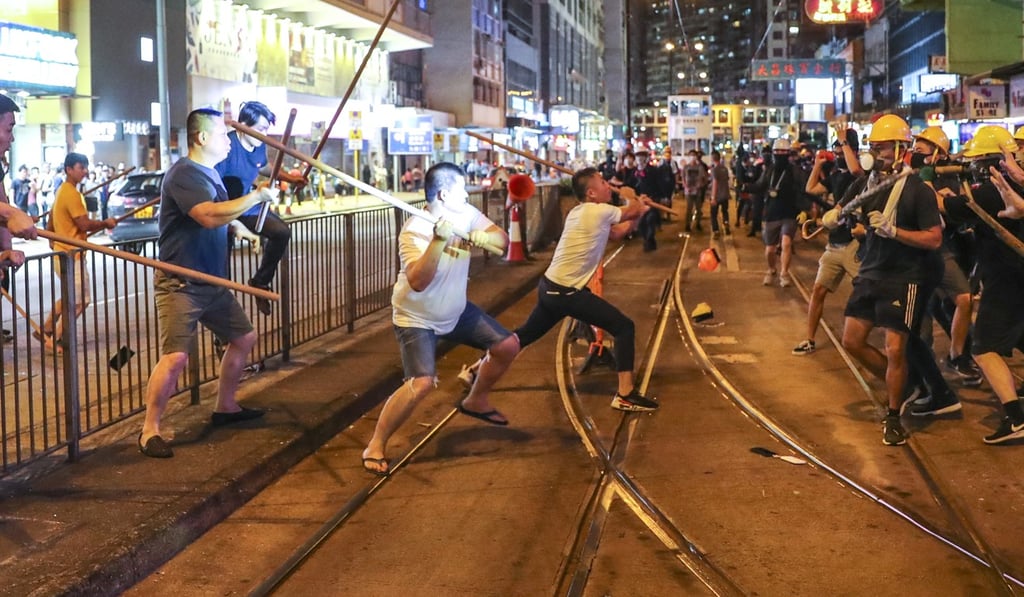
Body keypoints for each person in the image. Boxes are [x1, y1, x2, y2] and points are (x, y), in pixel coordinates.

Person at [459, 169, 659, 413]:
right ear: (591, 193)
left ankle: (474, 371)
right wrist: (631, 198)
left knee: (524, 335)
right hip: (566, 292)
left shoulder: (582, 212)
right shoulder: (597, 211)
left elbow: (618, 233)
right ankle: (625, 394)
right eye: (603, 183)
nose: (609, 186)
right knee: (623, 327)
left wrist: (639, 211)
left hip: (551, 288)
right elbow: (630, 210)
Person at [361, 162, 515, 476]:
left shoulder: (466, 213)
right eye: (462, 188)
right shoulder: (415, 229)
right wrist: (438, 241)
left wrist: (482, 237)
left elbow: (502, 240)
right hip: (417, 316)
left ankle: (476, 400)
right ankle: (375, 444)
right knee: (421, 383)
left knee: (507, 346)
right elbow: (418, 281)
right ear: (444, 194)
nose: (467, 194)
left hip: (455, 310)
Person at [139, 108, 275, 458]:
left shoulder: (211, 173)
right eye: (222, 135)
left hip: (211, 281)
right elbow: (208, 215)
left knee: (243, 338)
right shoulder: (184, 174)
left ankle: (225, 407)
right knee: (175, 357)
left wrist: (242, 229)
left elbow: (222, 215)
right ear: (201, 138)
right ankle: (149, 430)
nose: (228, 141)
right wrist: (255, 197)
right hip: (181, 283)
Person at [839, 114, 943, 446]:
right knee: (851, 341)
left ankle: (894, 414)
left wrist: (894, 232)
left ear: (901, 150)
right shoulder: (868, 184)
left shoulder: (918, 190)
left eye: (882, 148)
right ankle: (906, 384)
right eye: (873, 147)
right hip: (871, 270)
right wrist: (834, 218)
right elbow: (845, 209)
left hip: (905, 275)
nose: (876, 154)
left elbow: (934, 238)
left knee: (895, 348)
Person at [944, 126, 1024, 443]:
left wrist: (922, 180)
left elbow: (947, 207)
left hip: (1005, 277)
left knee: (984, 347)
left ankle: (1016, 418)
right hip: (1016, 274)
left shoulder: (992, 190)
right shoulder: (1014, 186)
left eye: (976, 161)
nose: (973, 167)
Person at [213, 101, 304, 316]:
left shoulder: (259, 145)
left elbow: (264, 167)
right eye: (260, 129)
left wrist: (291, 179)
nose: (264, 135)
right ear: (243, 126)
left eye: (266, 130)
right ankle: (223, 321)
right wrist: (230, 223)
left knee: (281, 232)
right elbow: (214, 188)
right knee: (222, 275)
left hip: (248, 205)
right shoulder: (227, 148)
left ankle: (260, 281)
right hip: (224, 209)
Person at [793, 133, 865, 356]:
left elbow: (857, 171)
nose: (838, 154)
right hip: (834, 244)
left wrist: (845, 143)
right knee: (818, 290)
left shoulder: (863, 173)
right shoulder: (835, 175)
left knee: (866, 290)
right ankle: (810, 338)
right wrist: (817, 164)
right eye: (836, 151)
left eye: (842, 150)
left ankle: (864, 337)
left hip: (855, 244)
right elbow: (811, 189)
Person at [37, 153, 117, 351]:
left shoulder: (62, 191)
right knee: (80, 302)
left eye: (86, 167)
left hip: (64, 253)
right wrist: (105, 223)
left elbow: (50, 222)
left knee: (70, 297)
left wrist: (53, 241)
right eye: (81, 167)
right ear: (69, 169)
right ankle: (54, 340)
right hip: (72, 255)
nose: (85, 171)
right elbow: (84, 224)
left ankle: (47, 328)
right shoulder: (71, 194)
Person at [750, 138, 802, 287]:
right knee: (770, 250)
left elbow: (803, 190)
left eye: (783, 151)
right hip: (772, 213)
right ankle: (771, 269)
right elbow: (760, 186)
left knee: (786, 243)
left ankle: (784, 273)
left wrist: (804, 209)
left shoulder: (795, 171)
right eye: (777, 151)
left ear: (788, 153)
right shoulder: (769, 170)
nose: (780, 154)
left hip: (790, 213)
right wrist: (745, 186)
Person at [681, 150, 707, 232]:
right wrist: (686, 186)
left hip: (698, 191)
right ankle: (687, 225)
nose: (692, 157)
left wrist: (701, 185)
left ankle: (698, 224)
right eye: (691, 155)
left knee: (698, 209)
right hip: (688, 192)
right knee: (689, 208)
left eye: (694, 155)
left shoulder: (700, 167)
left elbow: (704, 178)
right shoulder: (686, 167)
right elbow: (683, 178)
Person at [708, 150, 732, 238]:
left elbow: (715, 183)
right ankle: (726, 223)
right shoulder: (725, 169)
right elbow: (727, 181)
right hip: (725, 194)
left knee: (713, 214)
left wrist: (713, 197)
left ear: (712, 158)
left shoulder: (714, 170)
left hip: (717, 195)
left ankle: (716, 231)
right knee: (725, 211)